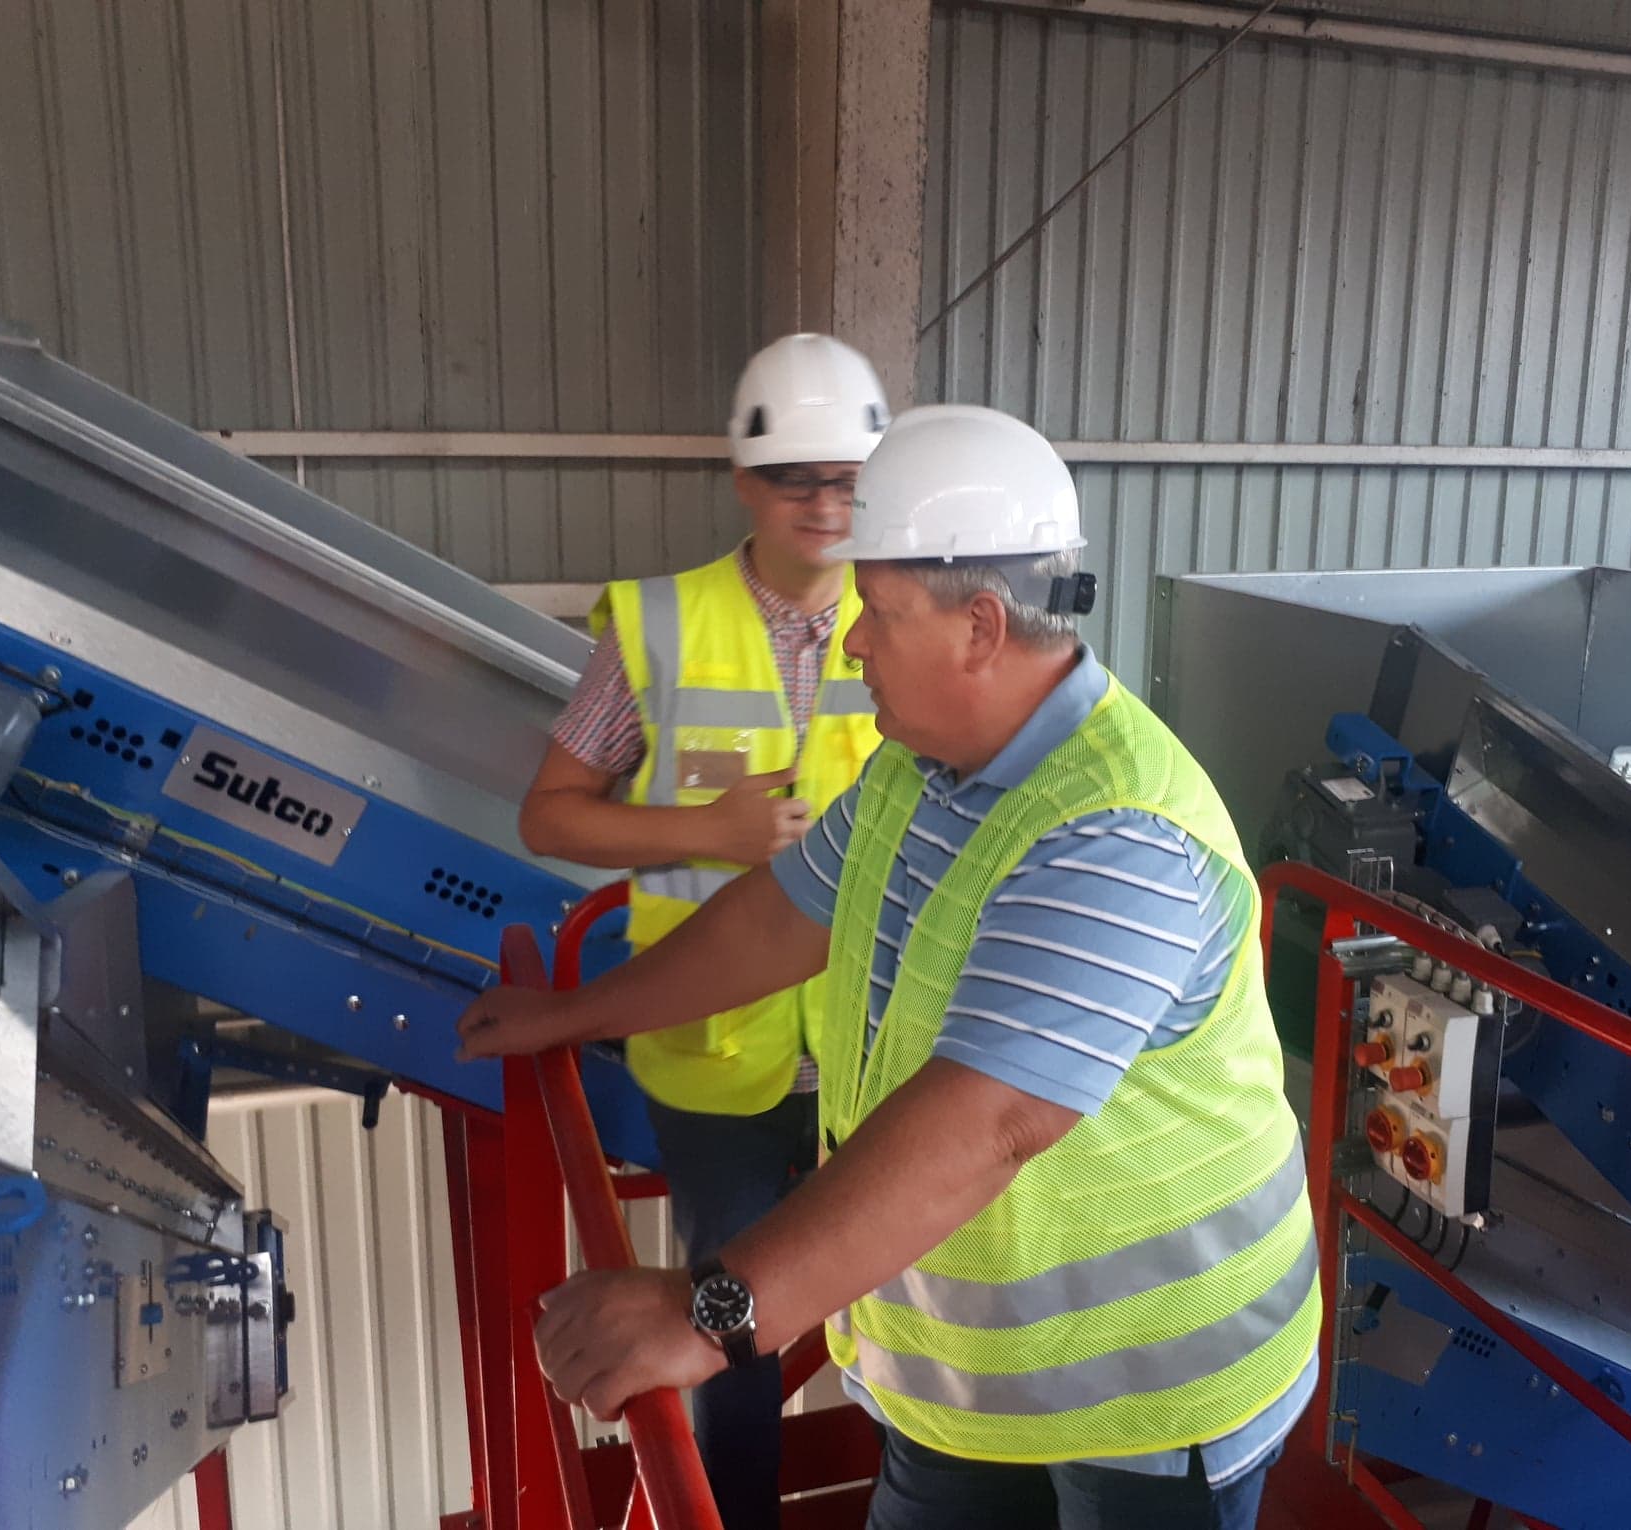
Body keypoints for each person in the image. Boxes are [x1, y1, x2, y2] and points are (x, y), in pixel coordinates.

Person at [467, 404, 1322, 1530]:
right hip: (963, 1382)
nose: (853, 643)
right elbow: (774, 922)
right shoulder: (916, 772)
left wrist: (709, 1315)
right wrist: (578, 1013)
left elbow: (987, 1123)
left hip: (1149, 1399)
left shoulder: (1118, 834)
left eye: (876, 609)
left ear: (979, 627)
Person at [517, 334, 890, 1529]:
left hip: (877, 1049)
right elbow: (550, 814)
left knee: (907, 1307)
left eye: (847, 479)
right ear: (744, 481)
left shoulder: (907, 621)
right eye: (795, 478)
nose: (824, 504)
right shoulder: (658, 628)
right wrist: (707, 830)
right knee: (730, 1336)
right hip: (715, 1060)